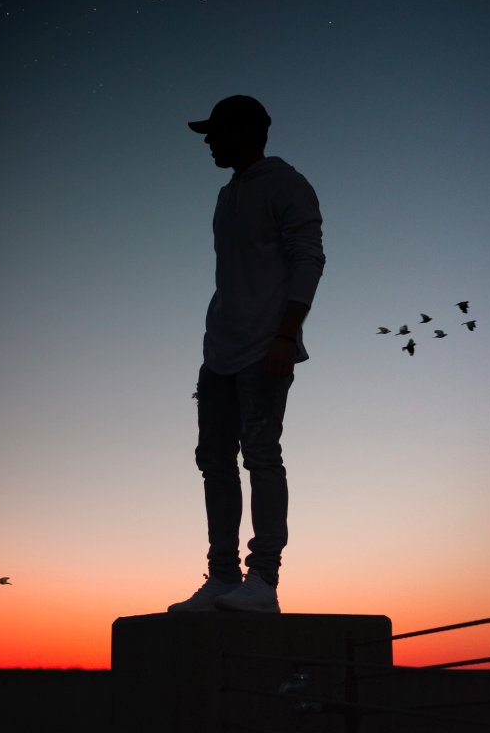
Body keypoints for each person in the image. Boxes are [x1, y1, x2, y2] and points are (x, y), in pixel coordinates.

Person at [167, 95, 326, 614]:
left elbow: (308, 261)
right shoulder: (226, 193)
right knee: (214, 461)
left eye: (216, 132)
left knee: (260, 455)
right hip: (220, 351)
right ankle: (221, 576)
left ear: (246, 131)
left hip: (265, 348)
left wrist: (285, 335)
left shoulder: (287, 184)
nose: (208, 141)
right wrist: (215, 346)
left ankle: (263, 580)